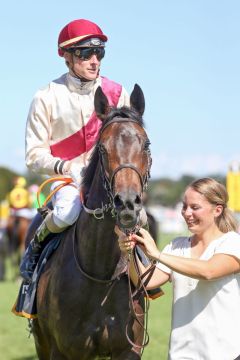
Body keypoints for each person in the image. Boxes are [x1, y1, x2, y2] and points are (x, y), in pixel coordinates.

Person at [20, 18, 130, 282]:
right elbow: (33, 155)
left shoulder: (117, 93)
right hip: (67, 180)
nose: (95, 60)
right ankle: (36, 250)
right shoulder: (46, 96)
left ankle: (146, 273)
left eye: (99, 53)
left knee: (138, 216)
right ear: (67, 56)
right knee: (67, 212)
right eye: (85, 53)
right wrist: (66, 166)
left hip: (108, 180)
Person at [117, 177, 240, 360]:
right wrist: (129, 252)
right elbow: (145, 281)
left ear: (217, 210)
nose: (186, 213)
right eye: (184, 206)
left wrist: (157, 254)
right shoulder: (177, 246)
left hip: (225, 354)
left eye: (194, 207)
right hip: (181, 354)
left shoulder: (232, 242)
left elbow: (208, 271)